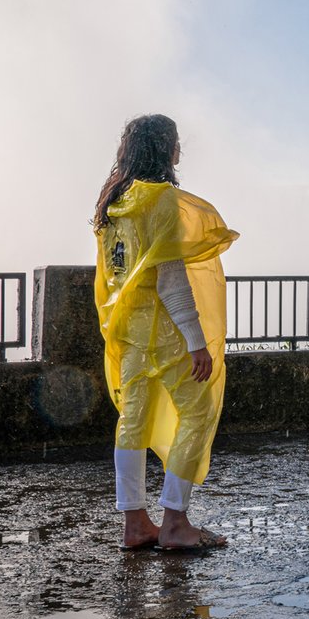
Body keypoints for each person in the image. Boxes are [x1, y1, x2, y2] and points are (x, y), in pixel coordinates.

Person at [92, 114, 239, 551]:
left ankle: (135, 524)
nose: (180, 151)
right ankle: (175, 521)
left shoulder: (112, 203)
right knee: (199, 411)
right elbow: (171, 283)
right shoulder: (163, 203)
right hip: (167, 334)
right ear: (164, 149)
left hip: (129, 332)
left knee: (131, 422)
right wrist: (198, 343)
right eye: (175, 143)